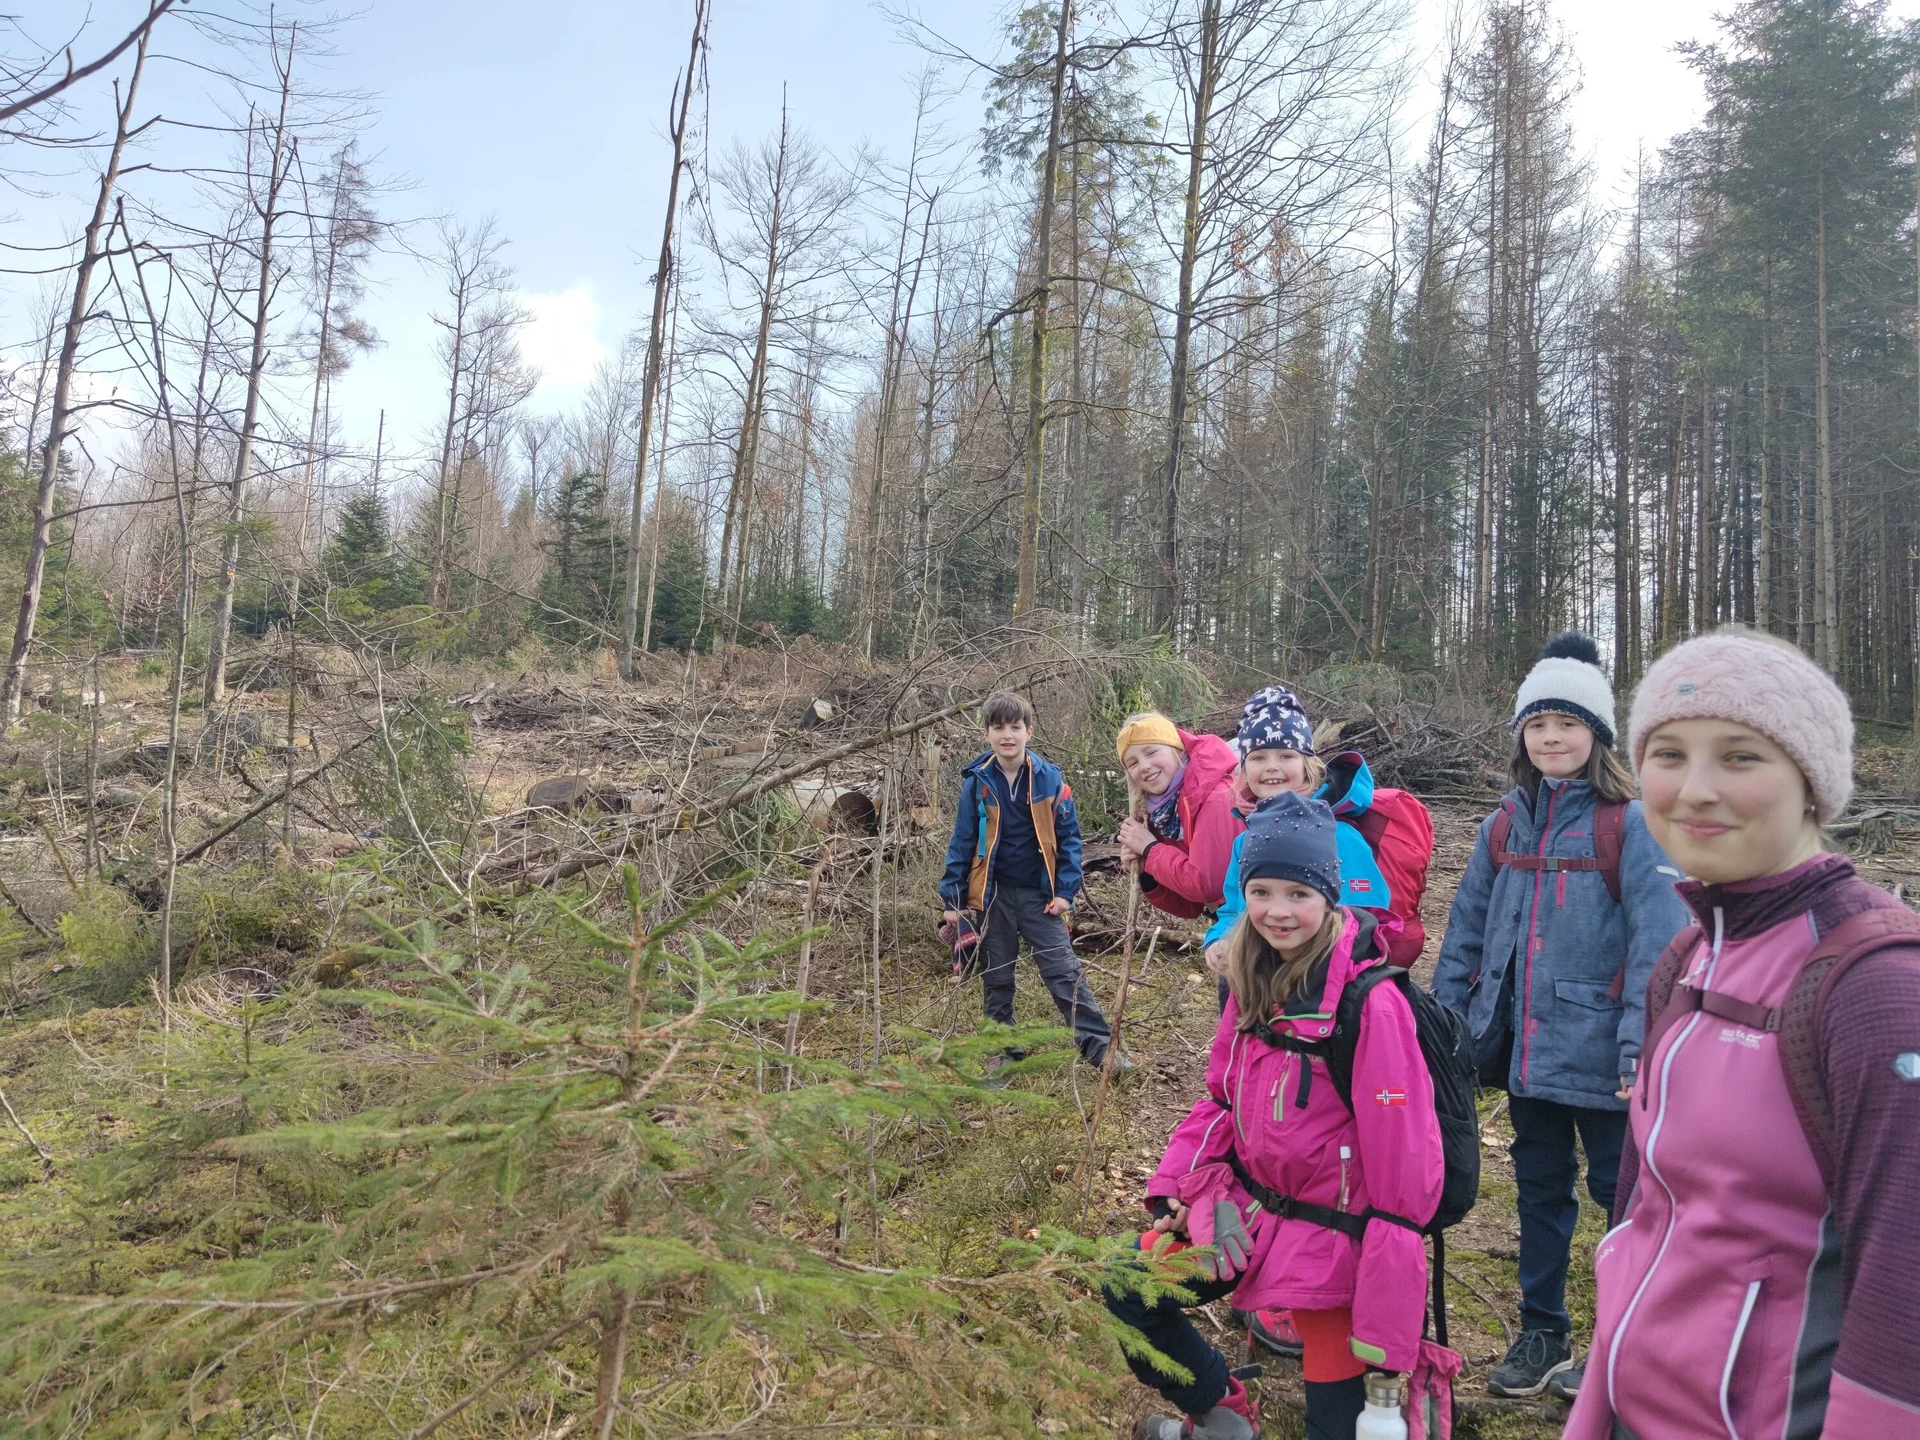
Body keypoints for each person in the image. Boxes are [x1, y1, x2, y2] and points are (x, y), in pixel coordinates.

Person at [1568, 628, 1920, 1440]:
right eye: (1668, 753)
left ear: (1811, 783)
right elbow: (1641, 1221)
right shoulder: (1688, 958)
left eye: (1740, 756)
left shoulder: (1876, 986)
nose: (1694, 790)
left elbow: (1905, 1291)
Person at [1107, 793, 1443, 1440]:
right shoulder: (1250, 974)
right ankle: (1222, 1412)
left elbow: (1404, 1174)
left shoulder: (1370, 1006)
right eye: (1260, 892)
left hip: (1336, 1243)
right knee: (1130, 1284)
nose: (1277, 912)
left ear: (1329, 897)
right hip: (1249, 1213)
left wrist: (1387, 1324)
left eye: (1298, 893)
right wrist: (1183, 1189)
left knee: (1336, 1426)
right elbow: (1221, 1101)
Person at [1431, 633, 1689, 1401]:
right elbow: (1466, 932)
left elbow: (1661, 940)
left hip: (1607, 1054)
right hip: (1522, 1052)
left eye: (1568, 725)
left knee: (1624, 1196)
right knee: (1540, 1187)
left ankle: (1622, 1340)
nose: (1552, 738)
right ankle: (1542, 1330)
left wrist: (1640, 1047)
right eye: (1539, 725)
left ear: (1598, 736)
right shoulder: (1502, 824)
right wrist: (1448, 1031)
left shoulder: (1631, 824)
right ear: (1522, 735)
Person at [940, 690, 1116, 1070]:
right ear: (986, 733)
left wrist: (1066, 892)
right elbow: (962, 841)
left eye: (1015, 727)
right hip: (993, 896)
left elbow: (1070, 840)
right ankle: (1003, 1051)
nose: (1007, 735)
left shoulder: (1051, 780)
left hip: (1041, 896)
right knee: (997, 975)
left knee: (1064, 972)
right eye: (998, 727)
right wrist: (953, 900)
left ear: (1029, 732)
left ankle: (1101, 1048)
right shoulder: (977, 783)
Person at [1114, 711, 1243, 923]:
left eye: (1152, 752)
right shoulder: (1163, 814)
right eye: (1133, 763)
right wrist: (1146, 872)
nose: (1144, 766)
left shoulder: (1214, 796)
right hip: (1226, 919)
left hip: (1252, 919)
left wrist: (1151, 849)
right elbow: (1189, 907)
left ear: (1178, 750)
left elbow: (1205, 887)